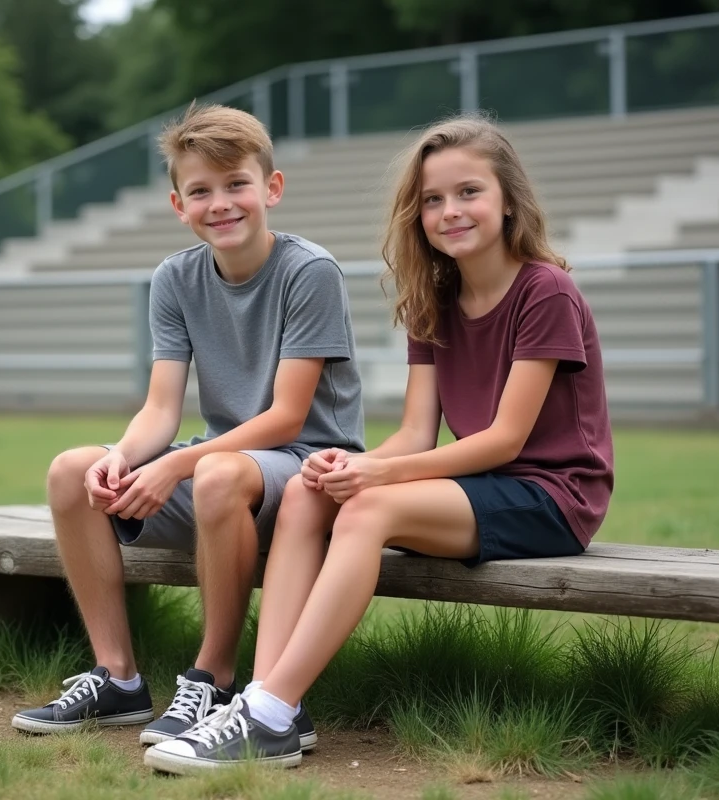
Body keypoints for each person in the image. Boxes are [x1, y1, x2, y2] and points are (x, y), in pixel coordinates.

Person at [144, 114, 614, 775]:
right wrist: (355, 463)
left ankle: (269, 709)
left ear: (510, 199)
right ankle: (271, 703)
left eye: (468, 192)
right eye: (432, 199)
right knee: (312, 493)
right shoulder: (436, 298)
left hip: (552, 496)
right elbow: (418, 432)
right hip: (481, 488)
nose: (450, 211)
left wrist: (376, 481)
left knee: (368, 508)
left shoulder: (545, 291)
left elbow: (505, 440)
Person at [11, 103, 365, 754]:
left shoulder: (309, 271)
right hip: (222, 470)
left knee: (212, 469)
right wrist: (121, 456)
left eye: (237, 185)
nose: (221, 203)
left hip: (310, 469)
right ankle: (117, 676)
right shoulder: (175, 278)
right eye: (201, 190)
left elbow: (288, 417)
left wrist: (174, 464)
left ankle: (216, 679)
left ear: (272, 189)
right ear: (179, 204)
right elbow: (161, 409)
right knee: (73, 472)